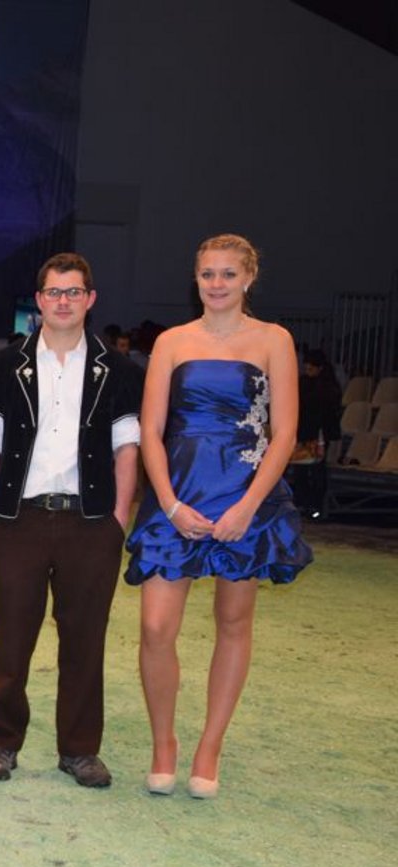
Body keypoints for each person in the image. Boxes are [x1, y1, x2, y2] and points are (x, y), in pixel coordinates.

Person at [126, 233, 312, 799]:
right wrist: (170, 501)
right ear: (196, 279)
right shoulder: (173, 343)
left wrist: (248, 506)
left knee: (234, 624)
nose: (217, 284)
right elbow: (151, 431)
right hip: (177, 493)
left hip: (243, 495)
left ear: (249, 278)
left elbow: (285, 434)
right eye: (208, 274)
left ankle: (210, 746)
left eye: (228, 274)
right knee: (156, 627)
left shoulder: (274, 340)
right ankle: (165, 745)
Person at [0, 253, 142, 789]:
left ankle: (79, 749)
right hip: (16, 520)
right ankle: (2, 742)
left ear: (89, 300)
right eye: (53, 292)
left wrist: (117, 519)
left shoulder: (118, 372)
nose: (63, 301)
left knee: (85, 641)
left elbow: (127, 449)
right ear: (39, 300)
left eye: (73, 292)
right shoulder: (3, 365)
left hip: (90, 524)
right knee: (11, 639)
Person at [290, 347, 342, 518]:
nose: (307, 371)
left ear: (320, 368)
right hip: (304, 432)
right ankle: (301, 503)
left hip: (318, 434)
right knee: (300, 471)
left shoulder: (328, 387)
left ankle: (315, 505)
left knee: (317, 470)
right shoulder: (304, 382)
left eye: (311, 368)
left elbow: (327, 412)